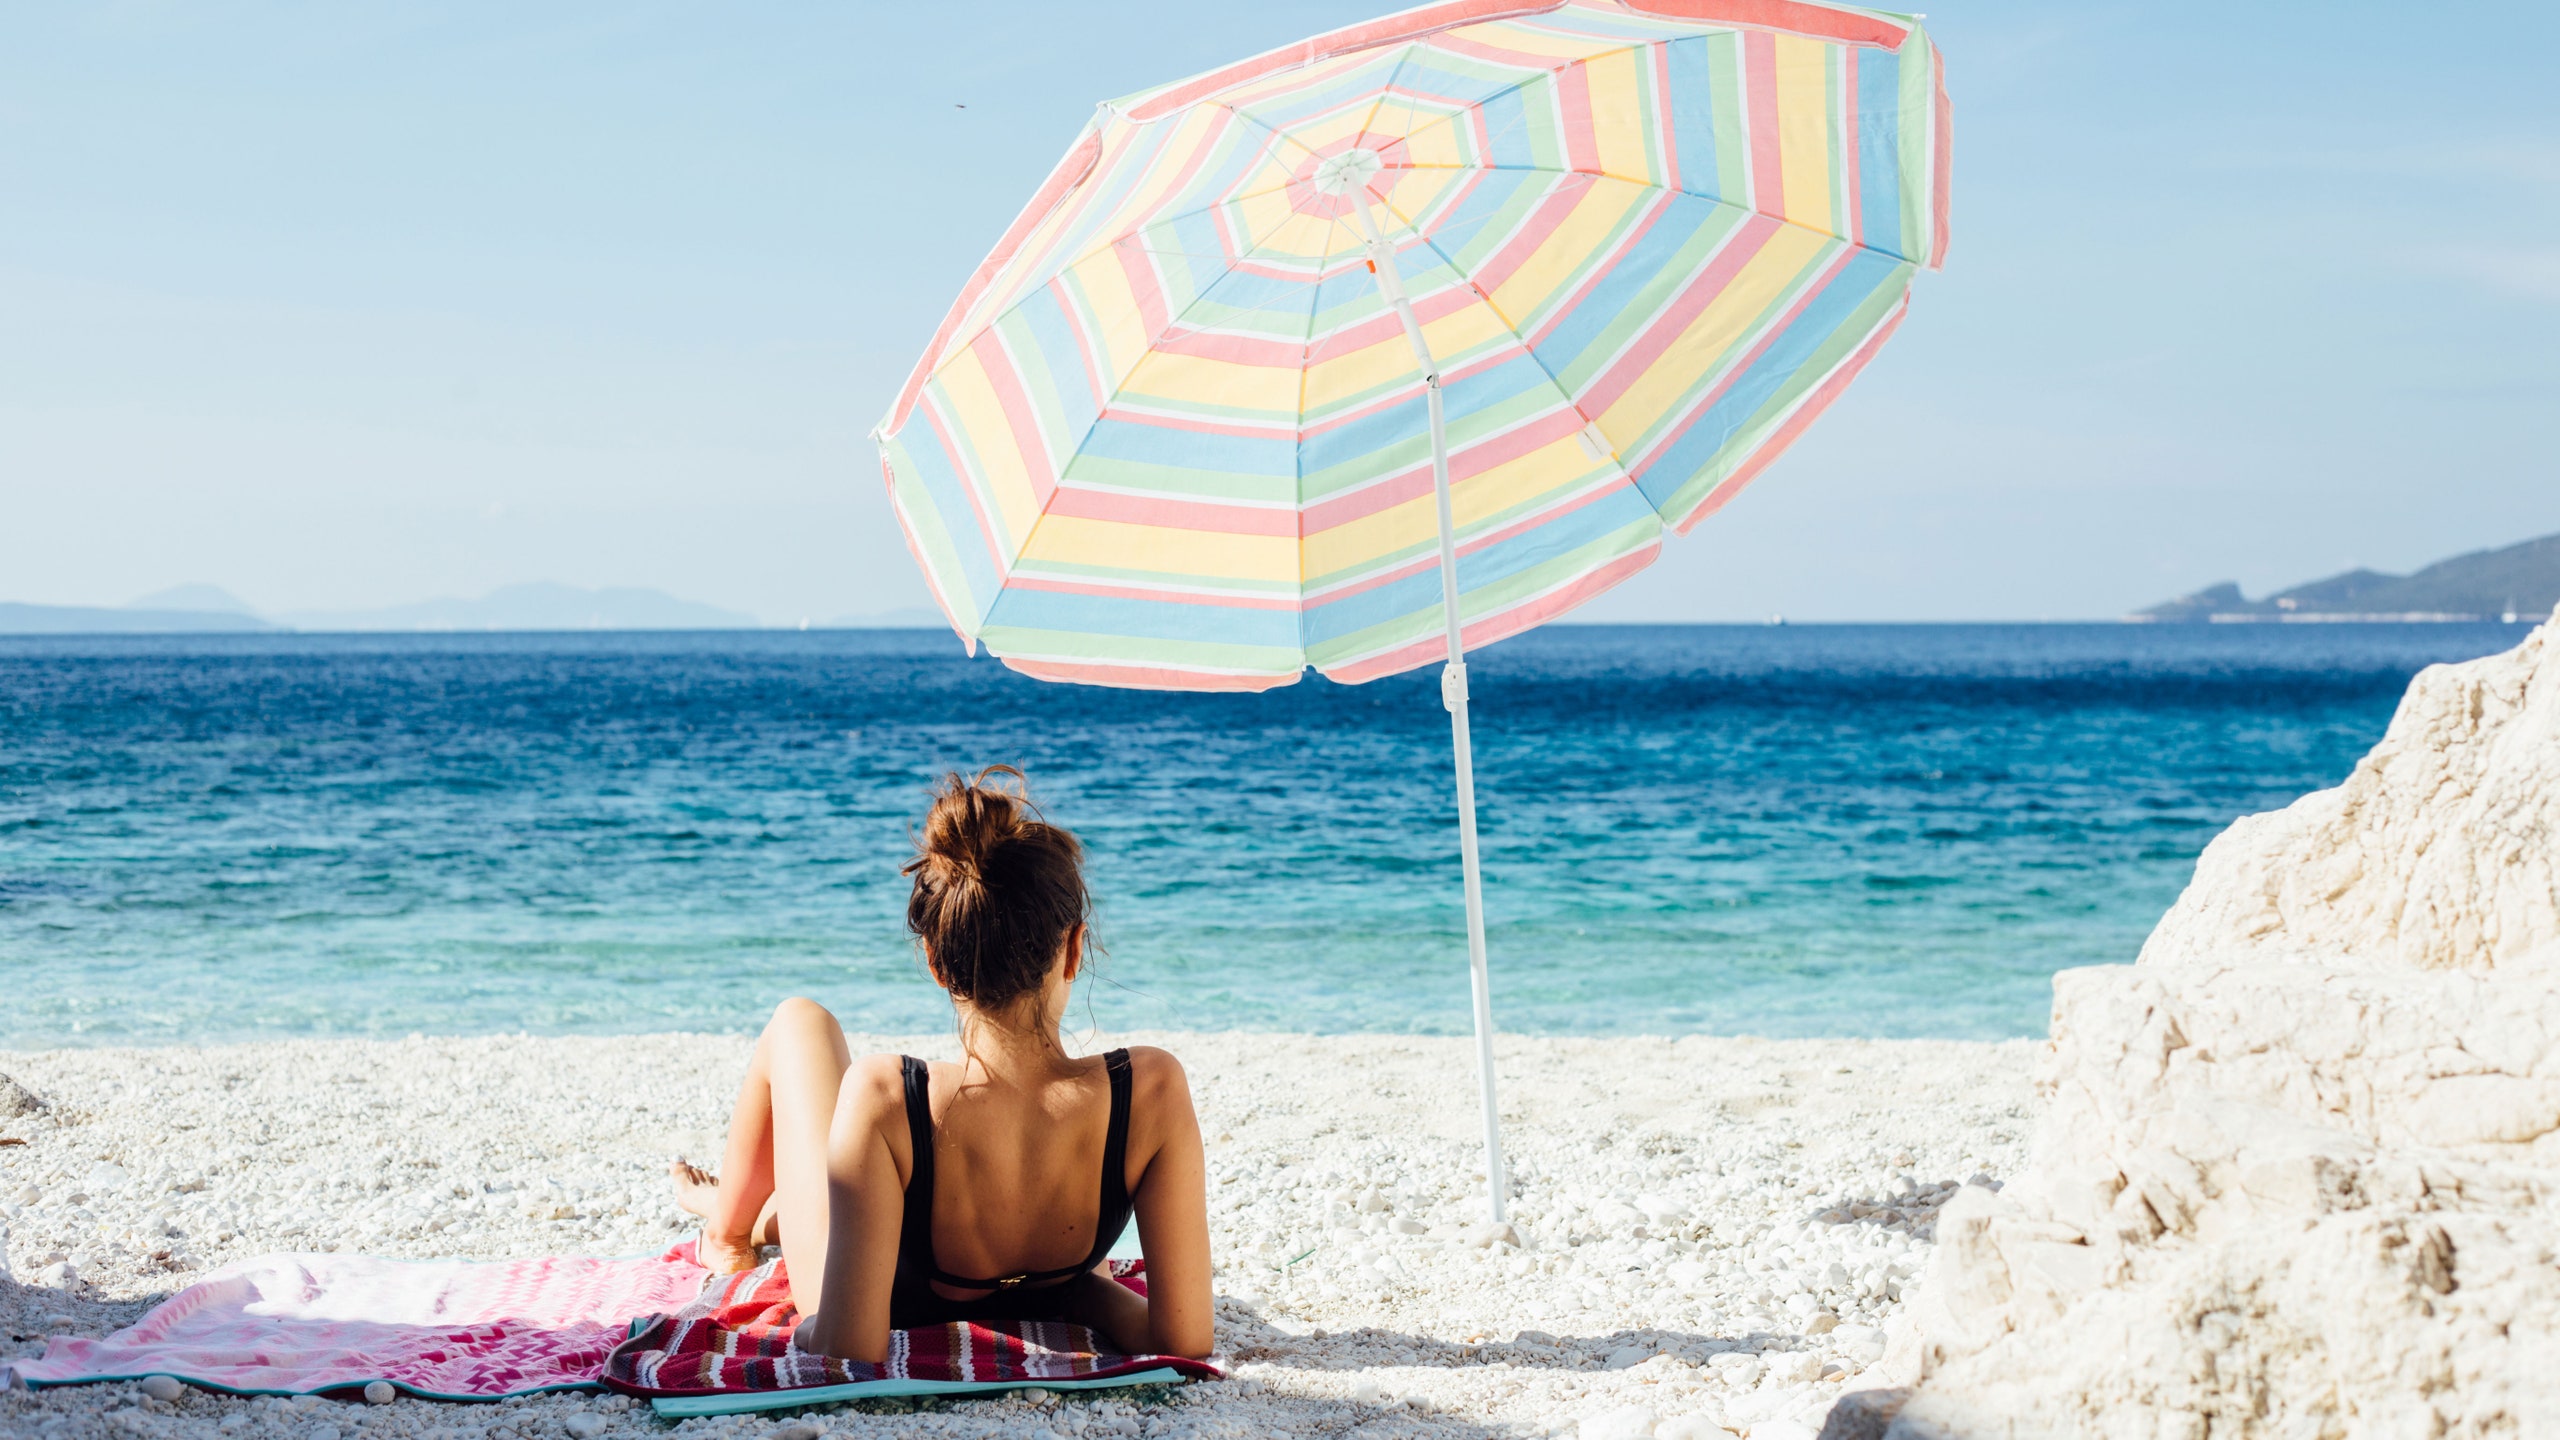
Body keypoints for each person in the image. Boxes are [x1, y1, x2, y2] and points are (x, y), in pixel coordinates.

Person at [666, 766, 1213, 1362]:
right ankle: (750, 1215)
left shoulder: (888, 1095)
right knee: (819, 1185)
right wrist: (1082, 1295)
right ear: (1075, 949)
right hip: (1044, 1275)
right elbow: (1183, 1339)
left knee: (800, 1020)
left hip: (881, 1292)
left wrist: (807, 1325)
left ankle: (725, 1232)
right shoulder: (1150, 1089)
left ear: (935, 960)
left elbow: (848, 1346)